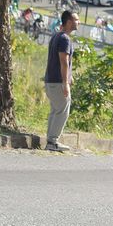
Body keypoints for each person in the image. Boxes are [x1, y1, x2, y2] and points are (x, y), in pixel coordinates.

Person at [44, 10, 78, 152]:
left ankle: (51, 140)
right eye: (76, 20)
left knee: (55, 111)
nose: (79, 22)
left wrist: (70, 76)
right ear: (69, 22)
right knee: (62, 111)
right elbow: (64, 62)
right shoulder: (64, 39)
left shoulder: (56, 36)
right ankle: (53, 142)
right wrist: (65, 83)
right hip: (58, 82)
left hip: (50, 81)